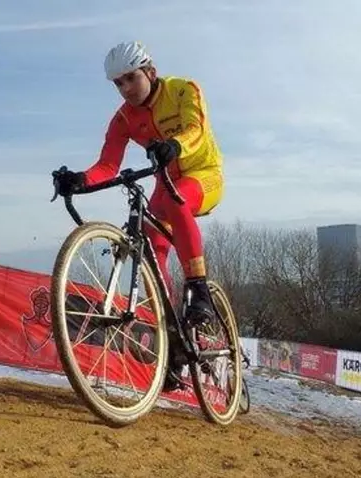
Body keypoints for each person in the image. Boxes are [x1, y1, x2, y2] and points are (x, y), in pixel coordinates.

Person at [55, 41, 224, 390]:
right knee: (148, 243)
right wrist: (80, 180)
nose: (125, 89)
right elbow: (107, 165)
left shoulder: (183, 90)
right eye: (118, 84)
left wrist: (174, 145)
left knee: (176, 200)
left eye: (131, 78)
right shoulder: (123, 119)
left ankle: (199, 289)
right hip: (166, 182)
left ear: (150, 71)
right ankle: (172, 334)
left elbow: (196, 129)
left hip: (202, 174)